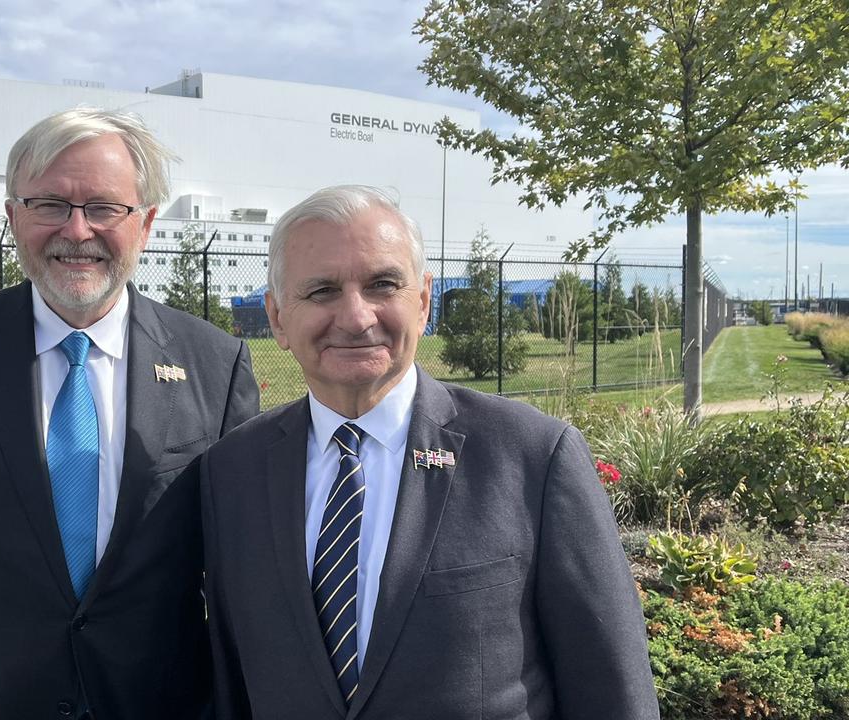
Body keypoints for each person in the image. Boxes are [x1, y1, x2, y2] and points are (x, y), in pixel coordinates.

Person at [0, 107, 260, 719]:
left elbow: (244, 582)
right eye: (49, 205)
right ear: (13, 217)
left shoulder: (215, 363)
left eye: (103, 207)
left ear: (145, 223)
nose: (76, 230)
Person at [200, 185, 658, 719]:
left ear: (422, 302)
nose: (355, 316)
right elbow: (231, 685)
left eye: (382, 285)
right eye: (321, 290)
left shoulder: (533, 457)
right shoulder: (232, 473)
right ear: (277, 318)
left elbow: (613, 693)